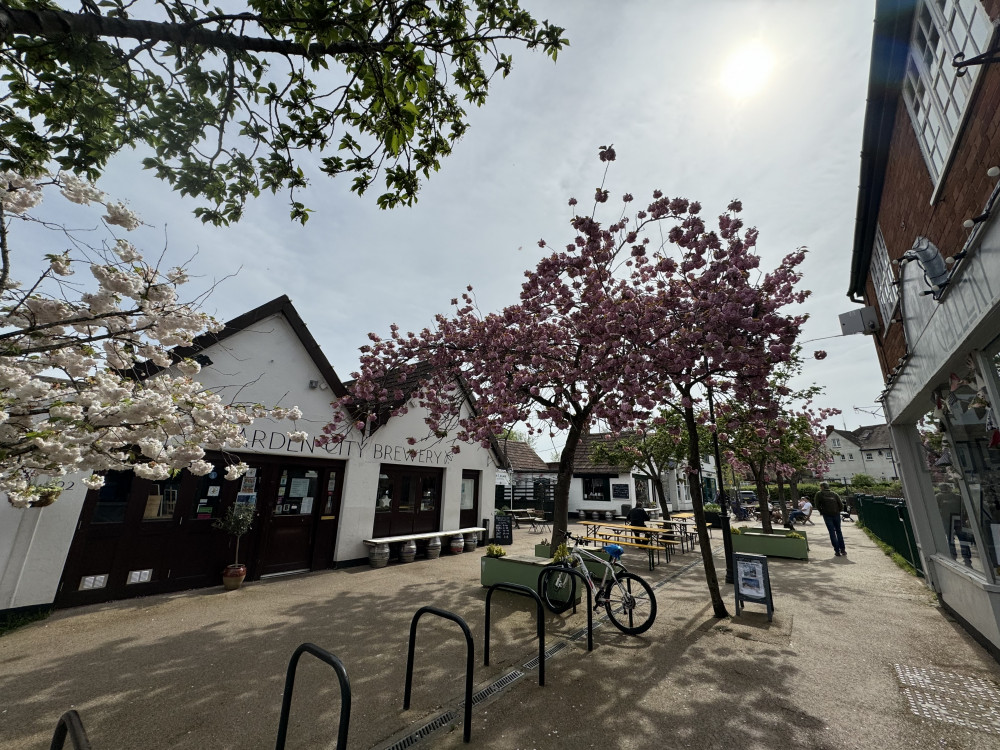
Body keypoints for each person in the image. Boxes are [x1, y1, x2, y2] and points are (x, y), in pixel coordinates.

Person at [814, 482, 847, 556]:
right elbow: (840, 504)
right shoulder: (834, 494)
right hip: (836, 514)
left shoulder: (819, 494)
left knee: (832, 532)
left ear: (822, 487)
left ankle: (837, 550)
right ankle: (843, 549)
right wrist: (838, 511)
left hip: (827, 515)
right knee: (839, 531)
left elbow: (817, 504)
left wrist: (822, 511)